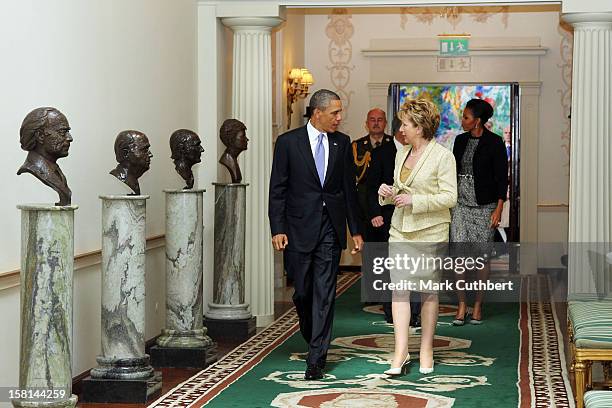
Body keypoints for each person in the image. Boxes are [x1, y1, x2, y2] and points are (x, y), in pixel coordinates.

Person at [269, 89, 363, 381]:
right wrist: (278, 228)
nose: (340, 118)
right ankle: (313, 334)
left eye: (340, 112)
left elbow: (349, 189)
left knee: (325, 293)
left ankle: (316, 358)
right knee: (304, 292)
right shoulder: (287, 143)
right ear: (317, 112)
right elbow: (278, 189)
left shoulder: (342, 142)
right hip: (297, 229)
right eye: (334, 112)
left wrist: (355, 231)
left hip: (330, 228)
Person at [378, 99, 457, 375]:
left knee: (427, 292)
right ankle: (400, 351)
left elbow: (450, 197)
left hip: (430, 232)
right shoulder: (401, 153)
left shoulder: (443, 156)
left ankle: (426, 348)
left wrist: (415, 200)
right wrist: (387, 193)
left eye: (405, 124)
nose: (401, 129)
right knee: (398, 289)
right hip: (400, 231)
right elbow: (400, 191)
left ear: (421, 127)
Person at [451, 99, 508, 326]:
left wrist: (499, 208)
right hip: (460, 206)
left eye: (466, 117)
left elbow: (501, 178)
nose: (462, 121)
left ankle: (477, 305)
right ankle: (462, 304)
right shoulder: (459, 140)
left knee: (482, 259)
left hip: (485, 207)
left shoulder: (494, 143)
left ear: (478, 121)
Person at [366, 116, 421, 326]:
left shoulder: (422, 153)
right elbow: (370, 187)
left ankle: (414, 313)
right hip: (388, 216)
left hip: (415, 216)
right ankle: (392, 311)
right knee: (393, 268)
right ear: (401, 130)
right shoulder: (382, 153)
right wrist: (374, 213)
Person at [17, 107, 73, 206]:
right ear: (40, 136)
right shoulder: (32, 171)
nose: (69, 138)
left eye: (68, 132)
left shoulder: (56, 171)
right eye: (62, 132)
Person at [352, 108, 393, 239]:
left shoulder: (394, 145)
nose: (376, 123)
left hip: (388, 205)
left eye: (380, 120)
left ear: (386, 123)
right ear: (366, 123)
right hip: (363, 206)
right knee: (369, 251)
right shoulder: (356, 146)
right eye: (372, 120)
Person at [109, 130, 153, 195]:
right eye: (144, 150)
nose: (150, 155)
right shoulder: (115, 184)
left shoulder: (133, 181)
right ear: (125, 153)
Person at [219, 119, 248, 183]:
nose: (247, 139)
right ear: (231, 140)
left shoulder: (233, 160)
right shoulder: (227, 161)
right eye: (243, 136)